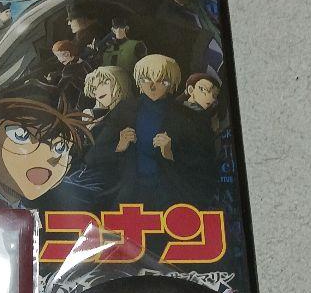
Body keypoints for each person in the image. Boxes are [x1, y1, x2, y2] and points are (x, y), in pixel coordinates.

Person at [78, 53, 215, 206]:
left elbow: (203, 163)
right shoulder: (124, 110)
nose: (152, 86)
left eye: (162, 81)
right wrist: (119, 146)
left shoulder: (185, 117)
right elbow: (93, 157)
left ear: (172, 83)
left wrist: (171, 154)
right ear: (138, 81)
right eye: (145, 80)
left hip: (170, 193)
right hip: (129, 192)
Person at [45, 39, 92, 110]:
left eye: (58, 56)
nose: (58, 59)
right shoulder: (82, 61)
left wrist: (39, 83)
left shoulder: (68, 69)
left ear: (67, 54)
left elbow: (58, 90)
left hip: (86, 100)